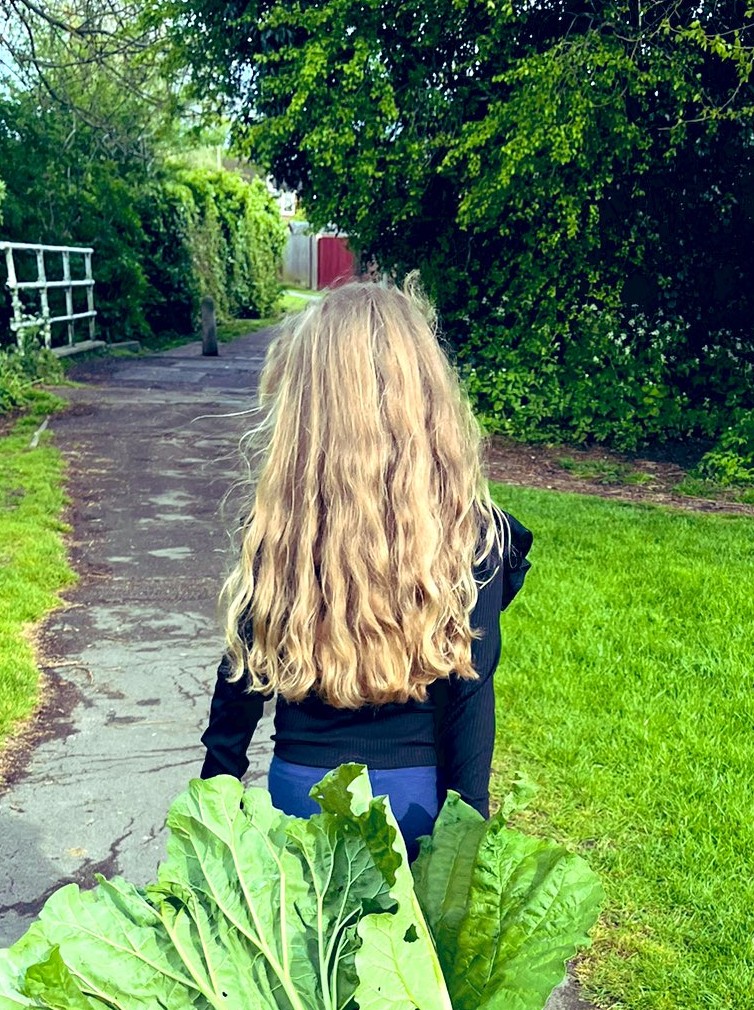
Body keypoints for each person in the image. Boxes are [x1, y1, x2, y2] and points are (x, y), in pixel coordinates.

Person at [198, 278, 532, 855]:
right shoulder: (471, 534)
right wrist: (464, 845)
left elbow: (238, 691)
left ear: (307, 403)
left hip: (301, 798)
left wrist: (209, 817)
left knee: (308, 944)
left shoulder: (285, 531)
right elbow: (470, 704)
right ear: (427, 395)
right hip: (417, 806)